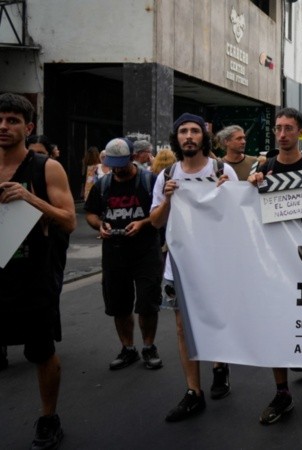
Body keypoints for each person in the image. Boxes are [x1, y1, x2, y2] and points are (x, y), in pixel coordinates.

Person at [150, 113, 239, 422]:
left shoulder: (222, 169)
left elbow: (237, 218)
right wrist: (168, 200)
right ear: (177, 138)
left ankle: (219, 365)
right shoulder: (167, 175)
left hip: (215, 263)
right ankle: (193, 392)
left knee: (214, 318)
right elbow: (156, 222)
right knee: (182, 326)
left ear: (204, 137)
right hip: (179, 265)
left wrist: (228, 193)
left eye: (195, 131)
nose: (189, 136)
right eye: (183, 131)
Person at [0, 93, 76, 450]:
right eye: (0, 119)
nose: (3, 126)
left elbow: (69, 220)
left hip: (33, 274)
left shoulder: (46, 167)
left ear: (28, 127)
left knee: (41, 352)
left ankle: (49, 418)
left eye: (13, 120)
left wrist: (29, 197)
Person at [246, 107, 302, 425]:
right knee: (274, 325)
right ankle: (282, 392)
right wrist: (253, 183)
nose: (282, 134)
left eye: (288, 129)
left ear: (300, 132)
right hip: (273, 260)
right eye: (278, 129)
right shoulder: (264, 167)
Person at [84, 138, 163, 371]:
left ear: (132, 158)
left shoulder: (150, 181)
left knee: (148, 303)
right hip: (114, 253)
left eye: (121, 163)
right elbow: (90, 212)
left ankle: (149, 347)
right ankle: (128, 348)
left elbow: (161, 213)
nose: (117, 169)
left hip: (146, 251)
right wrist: (99, 225)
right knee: (119, 304)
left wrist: (143, 223)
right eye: (112, 164)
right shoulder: (103, 185)